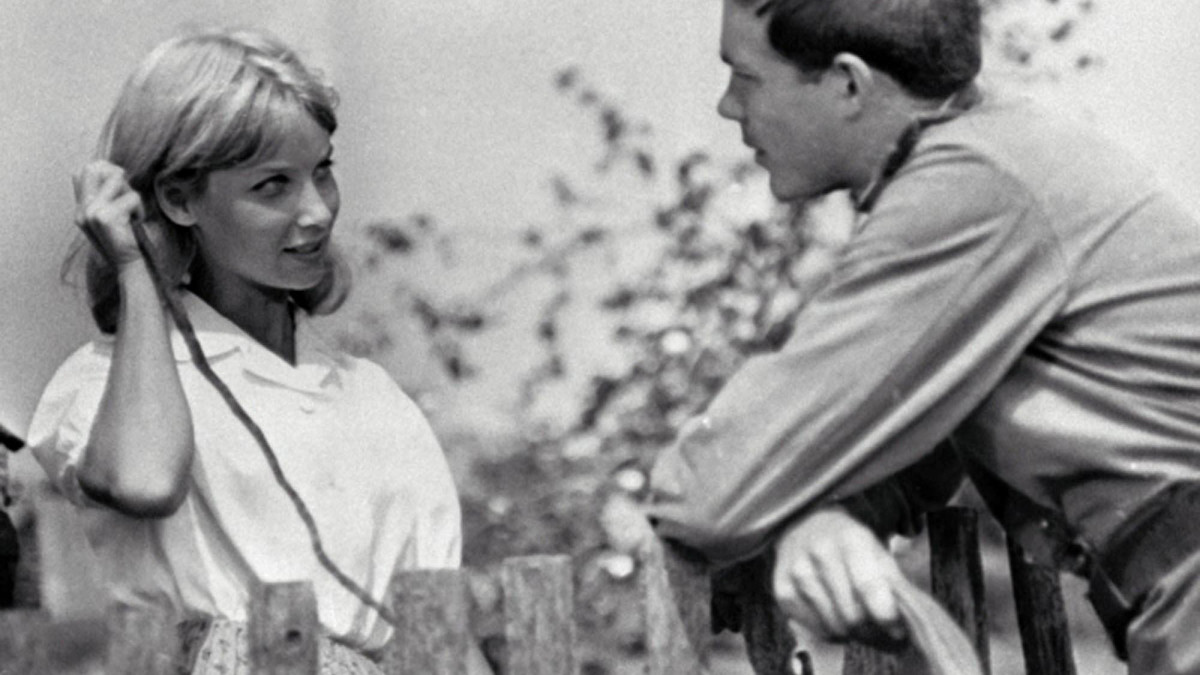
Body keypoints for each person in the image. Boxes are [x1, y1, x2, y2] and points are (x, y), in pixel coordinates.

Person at [646, 0, 1200, 672]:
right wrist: (825, 514)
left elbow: (713, 495)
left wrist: (787, 509)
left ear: (848, 84)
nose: (728, 107)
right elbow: (911, 444)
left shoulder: (970, 185)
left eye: (746, 77)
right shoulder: (994, 153)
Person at [27, 29, 490, 674]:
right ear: (179, 198)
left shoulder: (372, 399)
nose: (316, 212)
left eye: (322, 171)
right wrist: (136, 270)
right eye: (273, 185)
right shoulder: (106, 384)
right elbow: (145, 480)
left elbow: (440, 638)